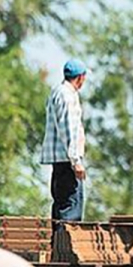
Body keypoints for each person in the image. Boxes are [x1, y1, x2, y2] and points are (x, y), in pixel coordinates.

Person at [41, 59, 89, 227]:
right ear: (81, 77)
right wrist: (76, 161)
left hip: (59, 161)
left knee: (61, 206)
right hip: (68, 161)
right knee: (71, 208)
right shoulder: (67, 95)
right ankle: (66, 250)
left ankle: (58, 247)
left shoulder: (56, 91)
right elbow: (68, 129)